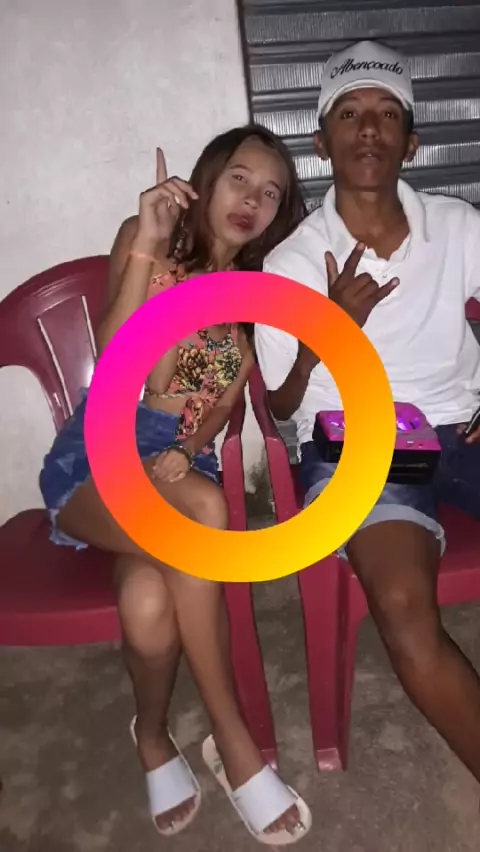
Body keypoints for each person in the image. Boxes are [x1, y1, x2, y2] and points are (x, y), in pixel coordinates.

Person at [39, 125, 312, 844]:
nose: (252, 200)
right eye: (240, 178)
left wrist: (187, 447)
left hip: (177, 465)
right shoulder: (147, 238)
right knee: (204, 506)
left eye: (270, 193)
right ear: (208, 178)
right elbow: (114, 358)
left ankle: (153, 736)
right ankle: (234, 738)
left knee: (148, 601)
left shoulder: (249, 306)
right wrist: (150, 242)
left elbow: (219, 410)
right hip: (103, 451)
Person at [255, 40, 480, 790]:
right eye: (349, 114)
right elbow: (279, 407)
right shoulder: (292, 261)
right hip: (359, 444)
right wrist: (326, 332)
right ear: (322, 141)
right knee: (405, 610)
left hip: (462, 426)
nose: (369, 129)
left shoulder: (458, 225)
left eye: (387, 114)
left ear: (411, 142)